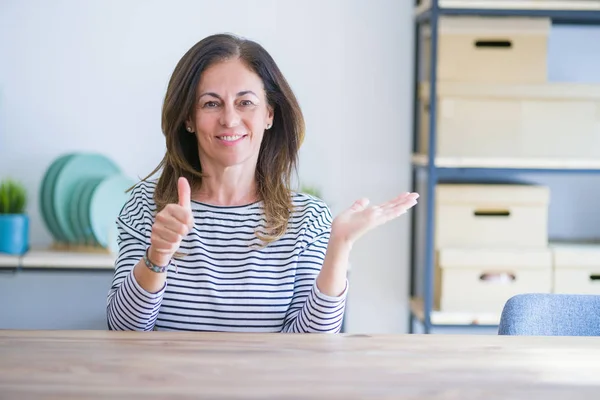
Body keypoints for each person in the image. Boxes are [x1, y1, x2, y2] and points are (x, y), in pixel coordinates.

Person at [106, 33, 419, 333]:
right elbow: (122, 330)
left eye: (245, 103)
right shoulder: (147, 208)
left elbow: (310, 345)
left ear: (269, 113)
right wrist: (157, 256)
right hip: (167, 387)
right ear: (188, 118)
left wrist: (339, 246)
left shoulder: (309, 219)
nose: (229, 119)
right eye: (211, 104)